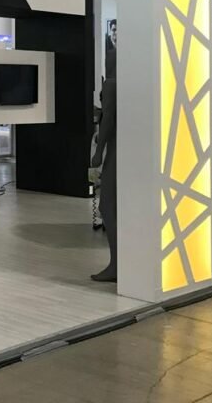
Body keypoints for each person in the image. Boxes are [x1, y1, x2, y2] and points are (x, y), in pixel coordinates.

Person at [92, 77, 117, 283]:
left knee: (108, 207)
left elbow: (108, 119)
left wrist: (98, 151)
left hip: (116, 153)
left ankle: (116, 264)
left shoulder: (112, 83)